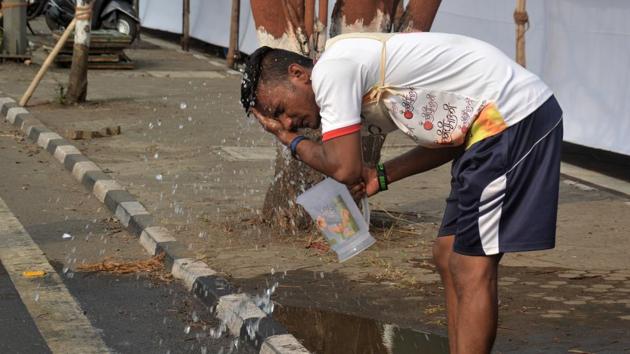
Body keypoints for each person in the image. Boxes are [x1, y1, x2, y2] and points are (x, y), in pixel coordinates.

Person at [240, 31, 563, 354]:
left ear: (298, 74)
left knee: (471, 265)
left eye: (280, 108)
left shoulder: (331, 72)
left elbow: (344, 168)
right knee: (447, 253)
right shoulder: (350, 72)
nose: (288, 121)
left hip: (512, 117)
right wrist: (381, 176)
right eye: (278, 120)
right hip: (486, 129)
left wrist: (291, 142)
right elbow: (449, 140)